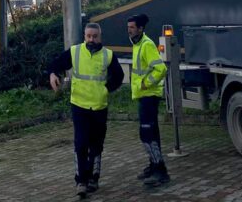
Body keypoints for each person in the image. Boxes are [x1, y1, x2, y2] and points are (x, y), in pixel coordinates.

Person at [48, 22, 124, 197]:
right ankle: (81, 181)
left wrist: (106, 89)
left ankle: (93, 178)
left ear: (100, 37)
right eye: (88, 36)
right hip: (79, 106)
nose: (91, 39)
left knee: (96, 144)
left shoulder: (108, 55)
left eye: (95, 36)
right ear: (84, 36)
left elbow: (119, 76)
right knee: (81, 143)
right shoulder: (75, 52)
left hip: (99, 106)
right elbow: (56, 64)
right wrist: (52, 74)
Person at [127, 13, 170, 187]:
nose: (129, 30)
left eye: (132, 27)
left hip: (149, 96)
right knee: (150, 133)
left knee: (147, 134)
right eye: (128, 27)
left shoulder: (146, 45)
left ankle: (160, 171)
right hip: (144, 96)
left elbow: (161, 69)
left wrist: (146, 83)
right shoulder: (137, 44)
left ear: (140, 28)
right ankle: (154, 165)